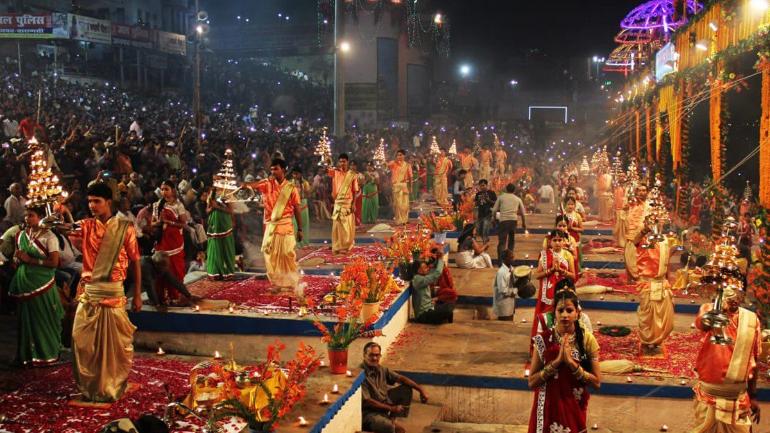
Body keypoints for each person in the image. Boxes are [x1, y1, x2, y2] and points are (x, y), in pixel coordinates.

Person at [69, 182, 142, 402]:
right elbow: (66, 228)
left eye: (97, 201)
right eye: (89, 201)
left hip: (113, 292)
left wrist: (137, 293)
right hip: (90, 292)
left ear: (108, 202)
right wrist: (60, 212)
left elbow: (135, 261)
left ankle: (110, 386)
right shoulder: (85, 226)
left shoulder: (124, 227)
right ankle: (91, 386)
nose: (92, 205)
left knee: (114, 346)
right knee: (79, 339)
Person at [527, 290, 601, 433]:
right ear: (554, 313)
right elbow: (532, 382)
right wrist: (556, 363)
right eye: (560, 310)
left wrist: (572, 365)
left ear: (577, 314)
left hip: (574, 408)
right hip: (547, 411)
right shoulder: (542, 340)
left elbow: (597, 382)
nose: (565, 315)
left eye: (569, 310)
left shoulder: (587, 340)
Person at [9, 206, 65, 366]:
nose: (27, 219)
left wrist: (30, 260)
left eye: (31, 216)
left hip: (43, 284)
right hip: (24, 283)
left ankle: (47, 354)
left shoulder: (49, 237)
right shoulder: (20, 235)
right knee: (26, 320)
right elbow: (16, 257)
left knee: (44, 318)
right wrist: (17, 260)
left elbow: (54, 263)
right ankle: (26, 355)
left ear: (40, 217)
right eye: (26, 216)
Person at [242, 158, 303, 289]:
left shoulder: (291, 188)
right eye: (271, 169)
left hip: (285, 224)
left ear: (284, 170)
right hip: (271, 226)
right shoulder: (267, 184)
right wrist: (245, 185)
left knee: (287, 254)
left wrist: (300, 229)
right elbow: (254, 185)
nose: (273, 171)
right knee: (270, 255)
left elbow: (297, 208)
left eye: (276, 169)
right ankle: (277, 282)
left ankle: (290, 281)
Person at [362, 342, 429, 433]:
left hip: (384, 405)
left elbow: (401, 378)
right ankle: (386, 423)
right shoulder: (361, 374)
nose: (374, 358)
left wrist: (421, 390)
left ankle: (392, 418)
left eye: (377, 355)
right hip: (370, 413)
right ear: (364, 355)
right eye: (371, 355)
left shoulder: (381, 369)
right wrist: (391, 408)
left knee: (406, 389)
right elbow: (368, 401)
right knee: (394, 429)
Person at [531, 230, 576, 351]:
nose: (557, 243)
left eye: (559, 240)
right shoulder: (544, 255)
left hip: (563, 292)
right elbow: (537, 275)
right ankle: (544, 350)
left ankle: (564, 348)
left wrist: (562, 271)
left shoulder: (568, 255)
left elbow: (573, 276)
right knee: (546, 320)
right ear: (550, 242)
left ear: (564, 241)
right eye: (554, 240)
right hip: (547, 293)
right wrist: (550, 271)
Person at [634, 233, 674, 352]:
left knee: (664, 318)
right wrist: (643, 230)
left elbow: (666, 263)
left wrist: (668, 278)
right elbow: (634, 241)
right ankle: (648, 342)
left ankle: (657, 340)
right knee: (648, 317)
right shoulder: (643, 240)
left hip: (662, 284)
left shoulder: (664, 239)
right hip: (648, 284)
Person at [151, 181, 187, 303]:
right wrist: (159, 223)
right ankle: (160, 297)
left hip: (174, 243)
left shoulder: (178, 205)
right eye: (162, 189)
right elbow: (152, 223)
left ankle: (175, 296)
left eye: (166, 189)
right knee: (160, 269)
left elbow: (183, 224)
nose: (163, 192)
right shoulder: (157, 205)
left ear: (173, 190)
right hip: (161, 242)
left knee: (175, 270)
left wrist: (169, 222)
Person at [411, 249, 454, 324]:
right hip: (423, 314)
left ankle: (445, 321)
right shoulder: (418, 279)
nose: (427, 269)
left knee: (449, 304)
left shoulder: (422, 276)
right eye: (424, 268)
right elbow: (436, 273)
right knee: (448, 310)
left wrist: (438, 259)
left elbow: (433, 270)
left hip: (430, 308)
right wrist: (440, 259)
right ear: (419, 270)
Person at [329, 153, 359, 253]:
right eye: (340, 161)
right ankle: (337, 246)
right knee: (337, 226)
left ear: (347, 162)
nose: (342, 163)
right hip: (338, 202)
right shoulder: (335, 173)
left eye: (344, 161)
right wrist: (326, 159)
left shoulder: (353, 175)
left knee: (347, 226)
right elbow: (327, 168)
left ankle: (346, 246)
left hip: (348, 203)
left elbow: (355, 191)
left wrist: (354, 203)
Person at [205, 188, 236, 280]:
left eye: (218, 179)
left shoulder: (228, 194)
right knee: (213, 248)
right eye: (215, 180)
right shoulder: (211, 193)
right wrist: (212, 208)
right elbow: (207, 210)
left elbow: (231, 211)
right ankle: (215, 273)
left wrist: (217, 207)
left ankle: (227, 273)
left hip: (224, 225)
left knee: (225, 248)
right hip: (213, 225)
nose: (216, 182)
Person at [492, 183, 526, 260]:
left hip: (503, 221)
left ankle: (501, 261)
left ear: (506, 189)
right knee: (511, 241)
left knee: (502, 242)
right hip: (513, 221)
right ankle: (509, 260)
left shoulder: (501, 198)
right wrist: (524, 223)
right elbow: (523, 213)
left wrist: (493, 219)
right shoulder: (518, 199)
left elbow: (494, 210)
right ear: (514, 190)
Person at [624, 184, 650, 281]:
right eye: (639, 190)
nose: (641, 192)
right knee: (628, 257)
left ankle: (639, 276)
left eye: (644, 190)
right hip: (631, 234)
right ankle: (631, 278)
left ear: (647, 192)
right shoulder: (632, 204)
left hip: (643, 236)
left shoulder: (649, 205)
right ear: (636, 192)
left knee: (640, 258)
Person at [388, 150, 413, 225]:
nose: (399, 156)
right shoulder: (393, 164)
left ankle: (405, 219)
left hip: (404, 185)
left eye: (401, 155)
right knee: (397, 204)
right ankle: (399, 220)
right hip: (396, 186)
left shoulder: (407, 165)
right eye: (398, 155)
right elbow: (387, 165)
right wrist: (394, 159)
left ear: (404, 156)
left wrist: (411, 187)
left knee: (405, 204)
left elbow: (410, 176)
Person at [291, 168, 312, 248]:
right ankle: (295, 244)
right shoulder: (290, 183)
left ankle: (304, 244)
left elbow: (308, 194)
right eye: (293, 174)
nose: (295, 176)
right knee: (294, 225)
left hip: (303, 204)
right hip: (294, 205)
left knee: (304, 225)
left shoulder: (305, 183)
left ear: (300, 174)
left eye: (296, 174)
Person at [493, 250, 516, 320]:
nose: (513, 259)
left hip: (510, 303)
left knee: (510, 320)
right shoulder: (501, 272)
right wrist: (513, 292)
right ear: (505, 259)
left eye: (513, 257)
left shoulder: (512, 269)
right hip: (503, 304)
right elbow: (503, 290)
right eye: (511, 257)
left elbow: (514, 282)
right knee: (505, 323)